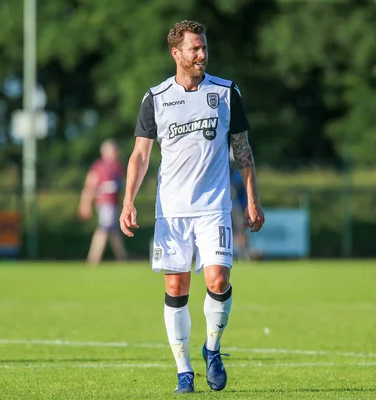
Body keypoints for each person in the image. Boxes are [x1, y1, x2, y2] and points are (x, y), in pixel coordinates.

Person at [119, 20, 265, 394]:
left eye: (204, 48)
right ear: (176, 52)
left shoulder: (227, 92)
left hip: (214, 206)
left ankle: (212, 349)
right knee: (176, 286)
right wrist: (128, 201)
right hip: (171, 211)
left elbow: (242, 150)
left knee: (218, 280)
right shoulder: (156, 97)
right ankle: (184, 371)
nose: (202, 54)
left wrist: (252, 198)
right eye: (194, 49)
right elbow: (139, 155)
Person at [78, 139, 128, 265]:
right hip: (105, 203)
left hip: (113, 203)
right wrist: (85, 204)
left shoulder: (117, 166)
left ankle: (123, 258)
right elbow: (90, 185)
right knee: (104, 228)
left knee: (114, 231)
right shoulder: (99, 167)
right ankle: (93, 259)